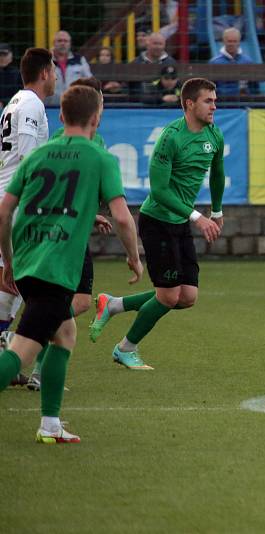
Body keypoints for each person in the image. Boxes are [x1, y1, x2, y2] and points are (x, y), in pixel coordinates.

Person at [0, 84, 143, 443]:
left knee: (65, 334)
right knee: (22, 350)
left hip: (28, 259)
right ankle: (49, 424)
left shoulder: (38, 155)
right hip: (56, 266)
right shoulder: (99, 157)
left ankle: (50, 425)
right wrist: (133, 257)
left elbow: (4, 210)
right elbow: (123, 218)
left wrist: (8, 260)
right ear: (96, 118)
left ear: (60, 117)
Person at [88, 78, 225, 370]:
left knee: (187, 297)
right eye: (208, 100)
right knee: (168, 295)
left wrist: (216, 210)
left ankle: (113, 305)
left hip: (180, 221)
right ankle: (126, 348)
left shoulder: (214, 135)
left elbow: (216, 173)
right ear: (189, 104)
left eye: (215, 100)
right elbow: (160, 191)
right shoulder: (170, 137)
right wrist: (197, 217)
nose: (215, 105)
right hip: (157, 221)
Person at [20, 77, 115, 391]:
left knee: (78, 305)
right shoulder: (84, 145)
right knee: (66, 310)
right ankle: (33, 359)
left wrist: (93, 215)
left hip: (61, 235)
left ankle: (35, 365)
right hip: (63, 240)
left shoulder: (79, 142)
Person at [0, 48, 56, 387]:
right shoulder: (31, 104)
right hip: (19, 203)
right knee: (22, 278)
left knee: (12, 280)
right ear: (46, 72)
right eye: (53, 69)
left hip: (11, 197)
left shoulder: (15, 102)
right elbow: (27, 157)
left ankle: (7, 344)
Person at [209, 27, 263, 97]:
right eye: (229, 41)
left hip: (244, 102)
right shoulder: (214, 62)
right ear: (223, 41)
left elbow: (254, 87)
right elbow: (210, 88)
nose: (232, 44)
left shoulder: (248, 61)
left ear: (239, 42)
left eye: (235, 41)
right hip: (222, 102)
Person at [45, 31, 93, 106]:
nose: (63, 43)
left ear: (70, 44)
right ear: (54, 43)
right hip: (50, 107)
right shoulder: (45, 60)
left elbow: (90, 81)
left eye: (65, 41)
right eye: (59, 41)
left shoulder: (80, 60)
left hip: (75, 106)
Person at [130, 33, 177, 98]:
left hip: (163, 102)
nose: (157, 47)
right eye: (155, 43)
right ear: (147, 44)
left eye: (160, 44)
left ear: (164, 45)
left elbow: (176, 87)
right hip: (138, 100)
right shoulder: (136, 62)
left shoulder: (171, 62)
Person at [0, 43, 23, 110]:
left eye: (4, 54)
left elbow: (22, 95)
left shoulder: (18, 74)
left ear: (11, 55)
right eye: (0, 54)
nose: (2, 57)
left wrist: (4, 103)